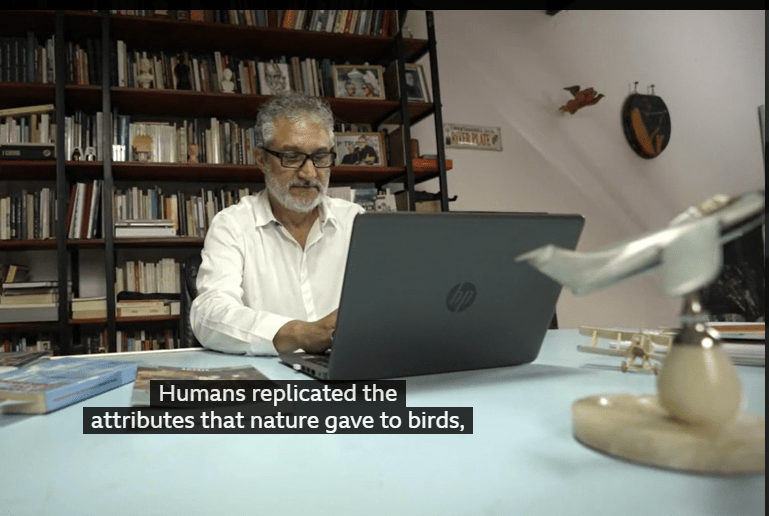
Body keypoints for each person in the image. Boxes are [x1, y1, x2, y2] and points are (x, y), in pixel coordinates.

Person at [190, 93, 365, 355]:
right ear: (261, 159)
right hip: (269, 372)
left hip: (348, 368)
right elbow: (209, 315)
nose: (309, 173)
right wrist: (300, 334)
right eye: (292, 157)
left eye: (320, 157)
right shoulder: (233, 224)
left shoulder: (356, 221)